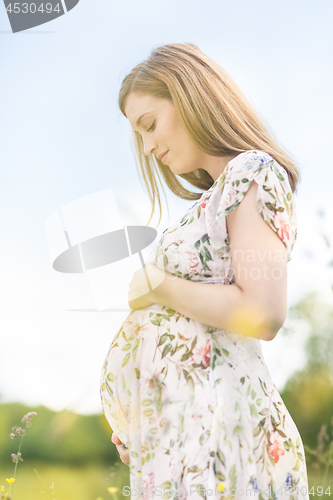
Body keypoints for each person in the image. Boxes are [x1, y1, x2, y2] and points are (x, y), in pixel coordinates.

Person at [100, 43, 309, 499]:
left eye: (149, 125)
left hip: (230, 440)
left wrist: (157, 285)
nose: (149, 146)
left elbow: (263, 311)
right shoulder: (209, 202)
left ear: (190, 96)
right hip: (185, 442)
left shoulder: (251, 174)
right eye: (140, 137)